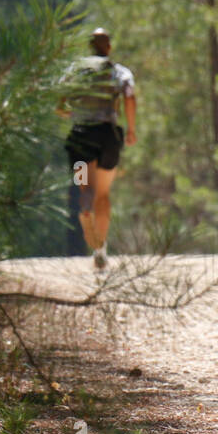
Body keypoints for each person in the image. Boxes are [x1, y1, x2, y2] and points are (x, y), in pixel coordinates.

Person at [60, 28, 136, 271]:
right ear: (108, 47)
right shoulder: (117, 70)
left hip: (80, 135)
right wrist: (131, 128)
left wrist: (70, 112)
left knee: (86, 188)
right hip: (107, 135)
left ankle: (84, 210)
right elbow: (130, 95)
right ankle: (100, 249)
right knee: (103, 193)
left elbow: (59, 99)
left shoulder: (74, 70)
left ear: (90, 47)